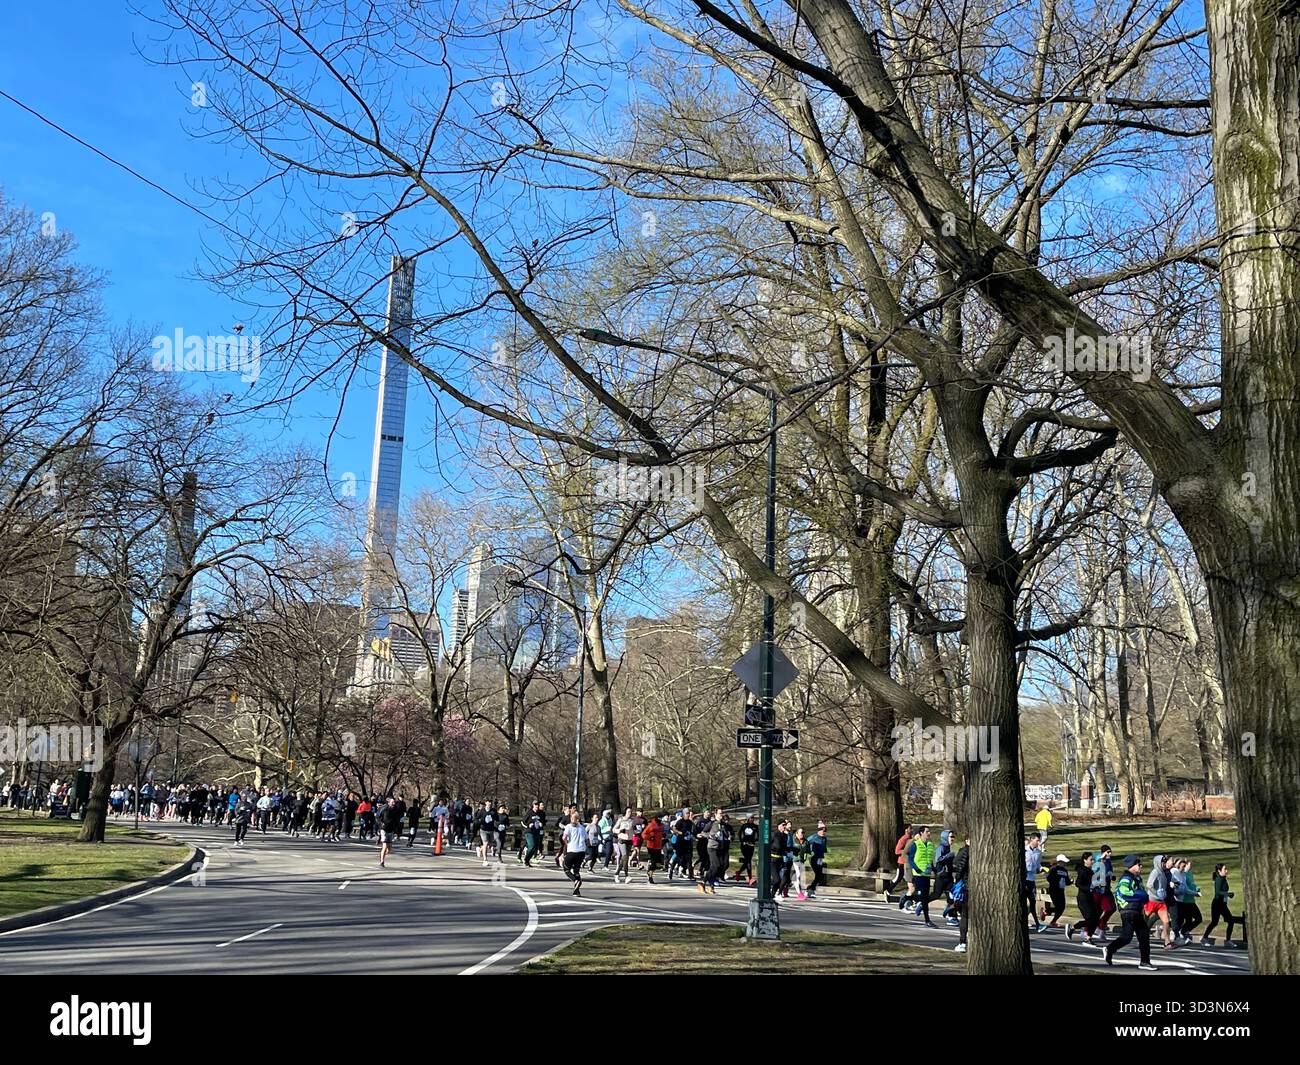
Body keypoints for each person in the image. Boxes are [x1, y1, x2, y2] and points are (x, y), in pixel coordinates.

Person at [1104, 854, 1157, 970]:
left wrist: (1144, 897)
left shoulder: (1137, 879)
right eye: (1138, 864)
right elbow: (1123, 892)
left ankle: (1144, 961)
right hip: (1128, 911)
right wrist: (1140, 895)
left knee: (1137, 936)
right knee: (1133, 936)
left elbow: (1143, 894)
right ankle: (1111, 949)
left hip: (1136, 911)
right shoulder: (1126, 878)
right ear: (1132, 866)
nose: (1141, 866)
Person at [1201, 863, 1245, 948]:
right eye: (1225, 869)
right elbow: (1217, 892)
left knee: (1230, 921)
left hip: (1223, 904)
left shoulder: (1223, 878)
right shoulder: (1219, 879)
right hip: (1217, 904)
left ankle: (1228, 940)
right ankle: (1204, 938)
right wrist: (1228, 894)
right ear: (1219, 871)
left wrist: (1227, 895)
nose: (1226, 871)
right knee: (1214, 922)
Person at [1067, 852, 1101, 945]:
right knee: (1090, 919)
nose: (1093, 861)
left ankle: (1088, 938)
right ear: (1085, 860)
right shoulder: (1082, 870)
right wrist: (1089, 888)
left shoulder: (1090, 871)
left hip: (1090, 897)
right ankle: (1073, 927)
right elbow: (1078, 883)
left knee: (1095, 919)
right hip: (1083, 898)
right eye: (1091, 859)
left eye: (1093, 859)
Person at [1145, 853, 1175, 949]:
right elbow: (1149, 885)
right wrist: (1156, 892)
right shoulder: (1155, 872)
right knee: (1144, 919)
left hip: (1161, 902)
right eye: (1163, 862)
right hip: (1151, 900)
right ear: (1158, 862)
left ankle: (1167, 942)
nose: (1164, 863)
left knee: (1166, 921)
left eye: (1165, 861)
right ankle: (1142, 937)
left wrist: (1164, 893)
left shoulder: (1163, 873)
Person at [908, 825, 937, 927]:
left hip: (927, 875)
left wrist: (934, 869)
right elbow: (910, 859)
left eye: (929, 832)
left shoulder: (930, 845)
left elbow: (930, 860)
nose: (929, 833)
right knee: (920, 896)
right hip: (918, 874)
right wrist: (916, 868)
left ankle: (927, 920)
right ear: (921, 833)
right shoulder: (915, 845)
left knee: (924, 898)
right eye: (927, 831)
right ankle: (906, 899)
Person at [702, 809, 730, 894]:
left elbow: (727, 833)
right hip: (712, 847)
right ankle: (705, 882)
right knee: (716, 865)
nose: (721, 815)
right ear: (716, 814)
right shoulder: (712, 823)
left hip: (720, 848)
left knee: (718, 867)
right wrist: (710, 836)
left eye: (722, 813)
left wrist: (728, 836)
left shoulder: (723, 824)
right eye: (720, 813)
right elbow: (703, 832)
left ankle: (710, 884)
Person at [1024, 833, 1047, 932]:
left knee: (1032, 902)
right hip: (1024, 879)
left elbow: (1038, 866)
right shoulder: (1024, 850)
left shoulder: (1038, 852)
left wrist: (1043, 871)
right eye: (1037, 840)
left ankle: (1037, 924)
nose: (1039, 842)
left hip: (1032, 879)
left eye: (1039, 840)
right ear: (1031, 840)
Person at [1176, 859, 1202, 943]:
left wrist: (1196, 888)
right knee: (1185, 920)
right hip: (1185, 901)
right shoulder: (1182, 875)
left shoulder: (1189, 874)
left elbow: (1192, 884)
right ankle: (1182, 932)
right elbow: (1185, 889)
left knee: (1198, 918)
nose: (1189, 867)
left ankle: (1184, 931)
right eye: (1188, 866)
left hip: (1192, 900)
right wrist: (1194, 892)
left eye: (1191, 866)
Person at [951, 833, 970, 952]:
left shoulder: (965, 851)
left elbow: (960, 866)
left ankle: (962, 942)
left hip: (968, 886)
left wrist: (957, 879)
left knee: (965, 915)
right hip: (972, 886)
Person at [562, 811, 587, 896]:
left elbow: (564, 837)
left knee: (566, 868)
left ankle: (575, 880)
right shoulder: (582, 827)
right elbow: (586, 839)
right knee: (576, 870)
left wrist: (566, 843)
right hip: (581, 851)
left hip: (572, 850)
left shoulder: (569, 826)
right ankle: (576, 891)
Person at [1044, 854, 1071, 929]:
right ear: (1059, 862)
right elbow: (1049, 878)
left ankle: (1048, 914)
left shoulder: (1065, 870)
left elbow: (1067, 881)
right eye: (1063, 862)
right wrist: (1055, 881)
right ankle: (1048, 914)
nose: (1065, 863)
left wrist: (1070, 882)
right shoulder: (1053, 869)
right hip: (1054, 889)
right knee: (1058, 907)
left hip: (1061, 890)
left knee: (1062, 907)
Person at [377, 797, 403, 868]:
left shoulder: (396, 810)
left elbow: (397, 819)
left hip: (391, 830)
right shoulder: (384, 809)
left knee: (389, 849)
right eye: (392, 802)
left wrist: (397, 829)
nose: (393, 803)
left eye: (394, 802)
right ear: (389, 803)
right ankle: (382, 862)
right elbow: (378, 817)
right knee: (384, 846)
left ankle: (382, 855)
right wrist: (381, 823)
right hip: (384, 829)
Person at [807, 823, 829, 898]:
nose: (823, 832)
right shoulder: (813, 837)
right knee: (818, 875)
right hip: (813, 858)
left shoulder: (824, 838)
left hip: (820, 858)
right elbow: (805, 842)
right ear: (818, 830)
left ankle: (810, 889)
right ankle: (810, 889)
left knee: (819, 876)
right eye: (822, 830)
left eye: (824, 830)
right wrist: (808, 851)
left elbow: (824, 847)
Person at [642, 813, 665, 883]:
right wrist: (650, 837)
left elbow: (662, 833)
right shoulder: (651, 825)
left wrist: (663, 835)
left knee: (658, 863)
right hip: (651, 846)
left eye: (661, 818)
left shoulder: (662, 825)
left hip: (658, 846)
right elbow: (643, 834)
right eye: (659, 818)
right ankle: (650, 876)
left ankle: (650, 871)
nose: (660, 820)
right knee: (654, 862)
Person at [735, 815, 758, 885]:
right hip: (744, 845)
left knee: (748, 861)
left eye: (753, 818)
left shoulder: (755, 826)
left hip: (751, 845)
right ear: (748, 819)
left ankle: (739, 872)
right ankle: (750, 878)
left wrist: (755, 840)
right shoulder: (744, 826)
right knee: (748, 861)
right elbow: (739, 833)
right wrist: (742, 841)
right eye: (751, 818)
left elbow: (758, 835)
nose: (752, 819)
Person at [893, 824, 915, 899]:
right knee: (899, 878)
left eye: (912, 828)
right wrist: (907, 851)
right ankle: (888, 891)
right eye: (910, 828)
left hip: (907, 862)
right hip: (902, 862)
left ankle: (909, 896)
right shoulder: (903, 839)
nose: (912, 830)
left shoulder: (910, 838)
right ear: (906, 830)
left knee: (906, 879)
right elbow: (897, 851)